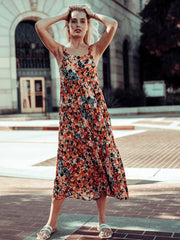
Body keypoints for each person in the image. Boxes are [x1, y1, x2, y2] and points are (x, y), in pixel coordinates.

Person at [35, 4, 129, 239]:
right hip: (71, 124)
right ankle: (51, 223)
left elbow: (113, 24)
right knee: (64, 169)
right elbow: (39, 25)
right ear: (68, 25)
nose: (77, 25)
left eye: (82, 21)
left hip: (96, 120)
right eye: (73, 21)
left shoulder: (94, 51)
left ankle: (103, 222)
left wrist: (92, 13)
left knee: (99, 167)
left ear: (87, 26)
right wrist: (63, 14)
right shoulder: (60, 52)